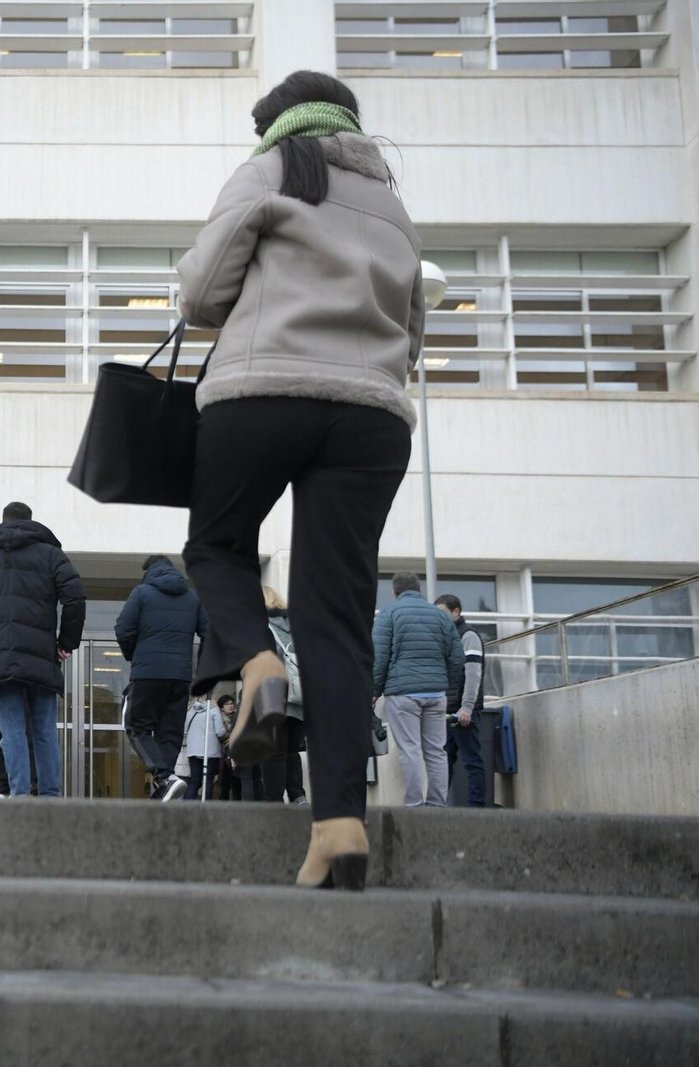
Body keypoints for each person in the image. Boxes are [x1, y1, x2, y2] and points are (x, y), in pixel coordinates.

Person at [175, 70, 424, 888]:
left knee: (216, 545)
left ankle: (255, 665)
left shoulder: (271, 170)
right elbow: (413, 332)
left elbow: (204, 295)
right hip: (372, 414)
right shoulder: (393, 204)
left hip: (264, 392)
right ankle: (340, 827)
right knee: (339, 620)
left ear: (276, 123)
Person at [0, 501, 86, 799]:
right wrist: (66, 643)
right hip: (41, 656)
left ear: (2, 522)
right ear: (31, 522)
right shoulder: (52, 556)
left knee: (10, 730)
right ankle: (50, 796)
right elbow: (75, 598)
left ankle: (18, 795)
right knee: (44, 730)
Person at [115, 554, 210, 801]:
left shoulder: (141, 592)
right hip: (180, 676)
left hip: (147, 672)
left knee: (136, 726)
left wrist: (133, 657)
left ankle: (165, 778)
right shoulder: (193, 597)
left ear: (147, 571)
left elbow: (123, 629)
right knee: (170, 733)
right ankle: (165, 788)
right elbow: (210, 634)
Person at [373, 572, 464, 807]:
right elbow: (456, 657)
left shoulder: (389, 614)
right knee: (436, 751)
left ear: (394, 592)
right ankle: (437, 805)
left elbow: (379, 657)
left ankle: (414, 805)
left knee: (410, 750)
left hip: (402, 694)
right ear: (419, 589)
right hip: (436, 694)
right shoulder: (441, 616)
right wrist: (445, 683)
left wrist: (374, 690)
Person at [435, 593, 488, 808]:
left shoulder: (468, 636)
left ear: (456, 612)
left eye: (442, 613)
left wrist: (466, 708)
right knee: (443, 762)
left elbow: (473, 674)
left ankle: (476, 809)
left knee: (472, 762)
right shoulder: (447, 637)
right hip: (448, 710)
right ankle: (438, 807)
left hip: (463, 712)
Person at [260, 586, 308, 804]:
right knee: (291, 751)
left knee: (273, 753)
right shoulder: (296, 625)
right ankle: (298, 795)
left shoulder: (262, 627)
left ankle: (274, 801)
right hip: (299, 698)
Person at [184, 697, 228, 800]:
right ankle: (206, 807)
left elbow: (185, 731)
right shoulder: (213, 710)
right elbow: (220, 732)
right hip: (210, 752)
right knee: (208, 781)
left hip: (193, 751)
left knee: (194, 781)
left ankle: (186, 807)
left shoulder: (190, 711)